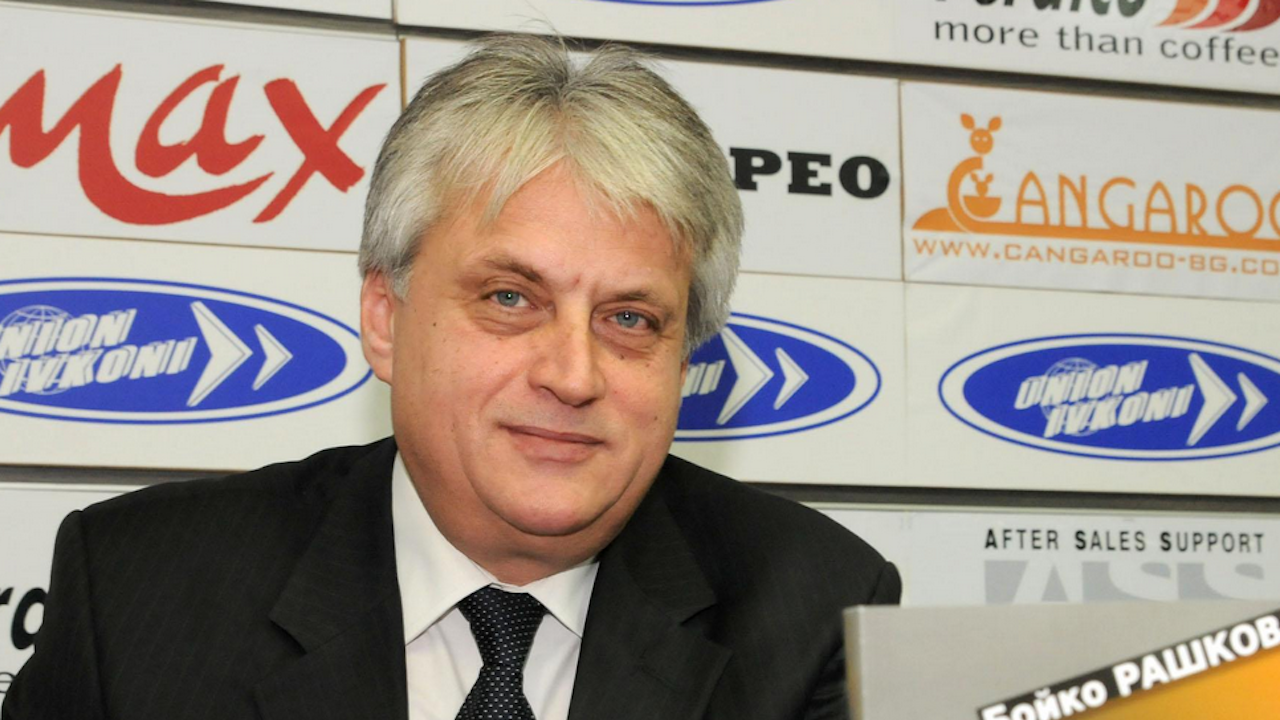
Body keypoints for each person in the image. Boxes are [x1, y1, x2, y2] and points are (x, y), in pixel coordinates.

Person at [2, 34, 899, 720]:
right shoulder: (137, 593)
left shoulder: (819, 612)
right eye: (510, 299)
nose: (573, 375)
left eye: (630, 319)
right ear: (385, 318)